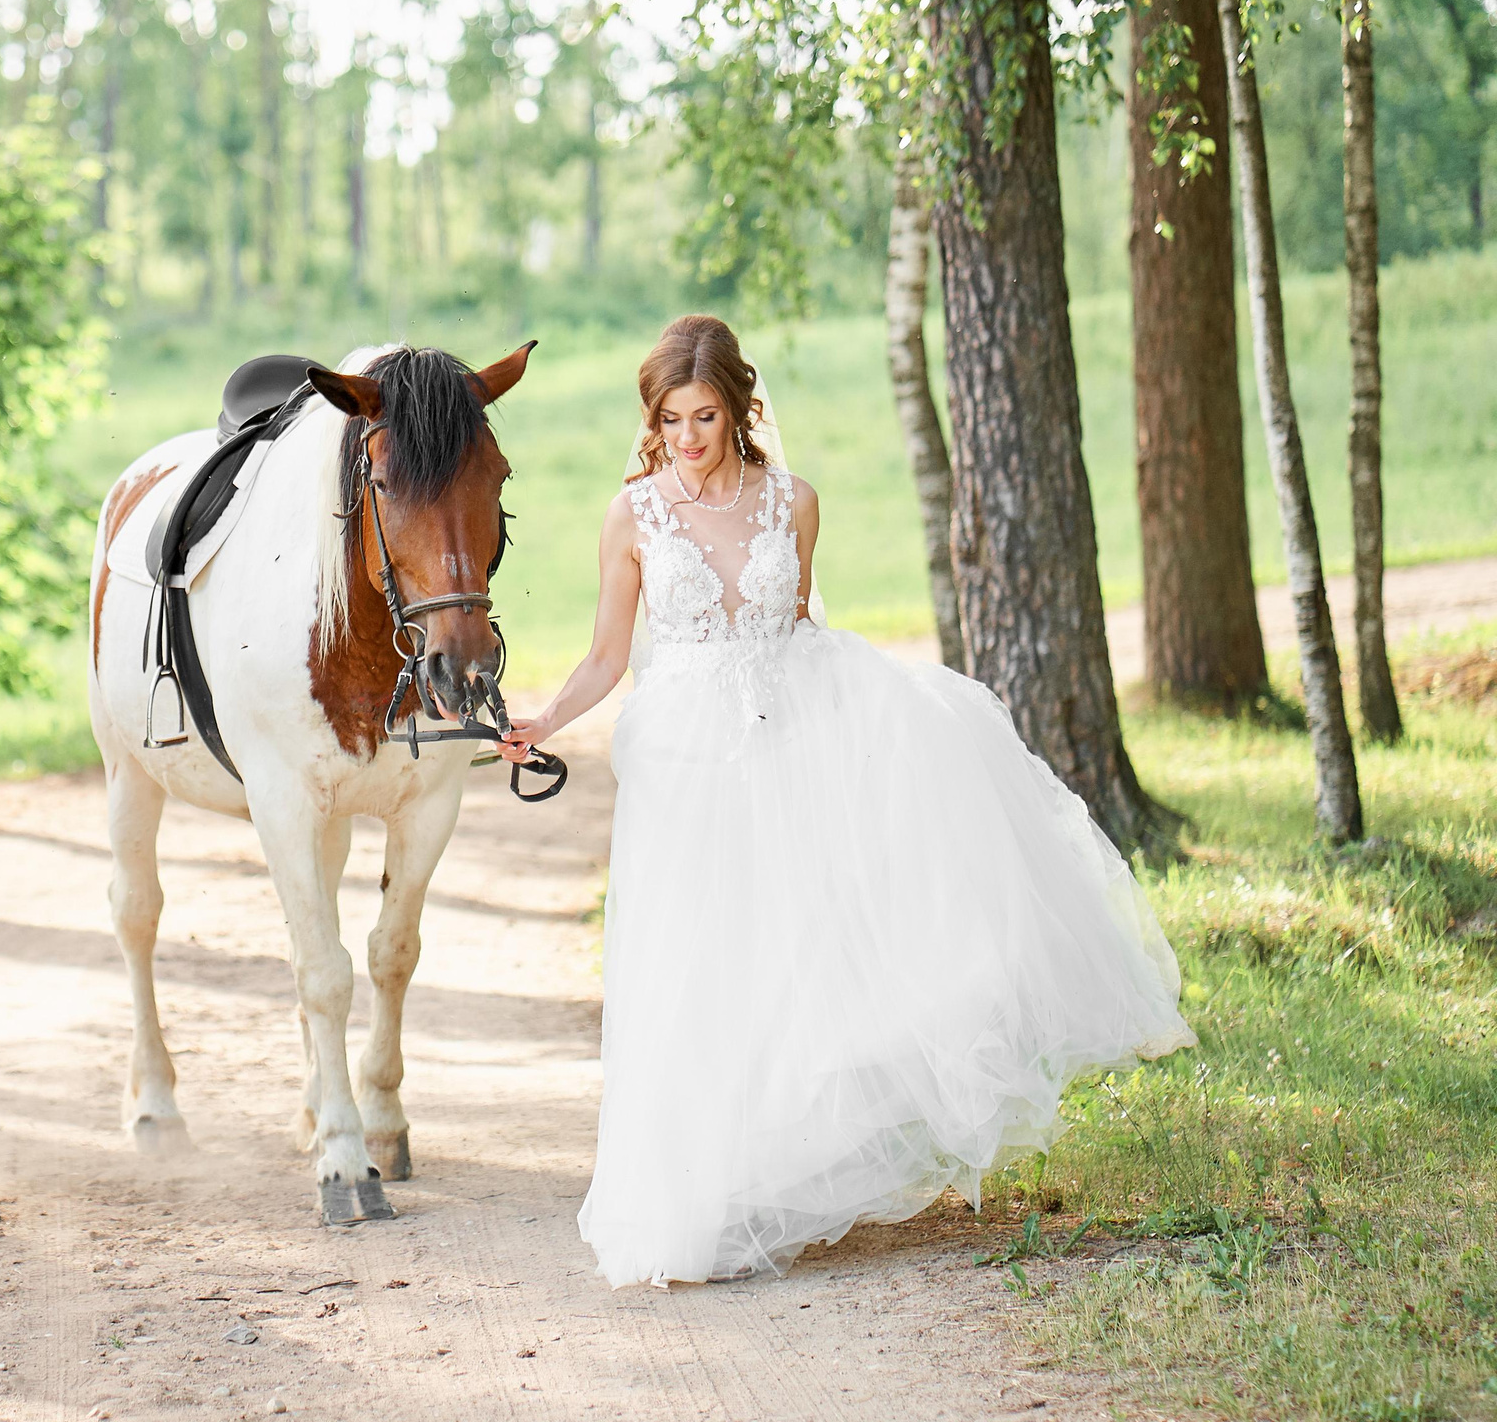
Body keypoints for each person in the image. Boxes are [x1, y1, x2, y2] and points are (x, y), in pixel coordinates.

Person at [499, 316, 1194, 1287]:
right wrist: (543, 719)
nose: (686, 437)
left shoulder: (794, 501)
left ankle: (780, 1163)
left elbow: (795, 623)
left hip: (790, 736)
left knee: (793, 950)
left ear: (740, 411)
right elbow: (608, 654)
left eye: (704, 416)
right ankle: (692, 1195)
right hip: (684, 757)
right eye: (670, 418)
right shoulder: (635, 516)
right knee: (697, 961)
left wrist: (885, 714)